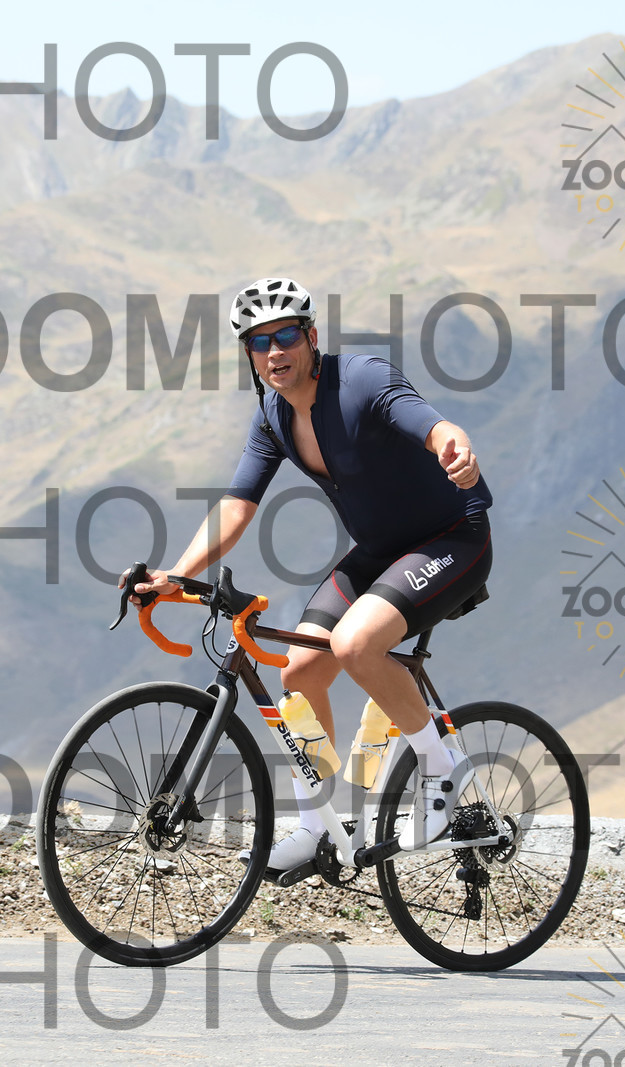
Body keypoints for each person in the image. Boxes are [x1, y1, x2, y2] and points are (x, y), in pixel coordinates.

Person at [126, 277, 494, 875]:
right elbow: (237, 505)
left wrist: (456, 446)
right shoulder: (272, 416)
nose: (275, 351)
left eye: (287, 336)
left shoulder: (363, 381)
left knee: (355, 645)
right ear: (249, 354)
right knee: (299, 671)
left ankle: (442, 770)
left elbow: (433, 426)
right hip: (381, 551)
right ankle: (317, 825)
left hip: (453, 538)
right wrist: (177, 575)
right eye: (259, 342)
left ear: (312, 337)